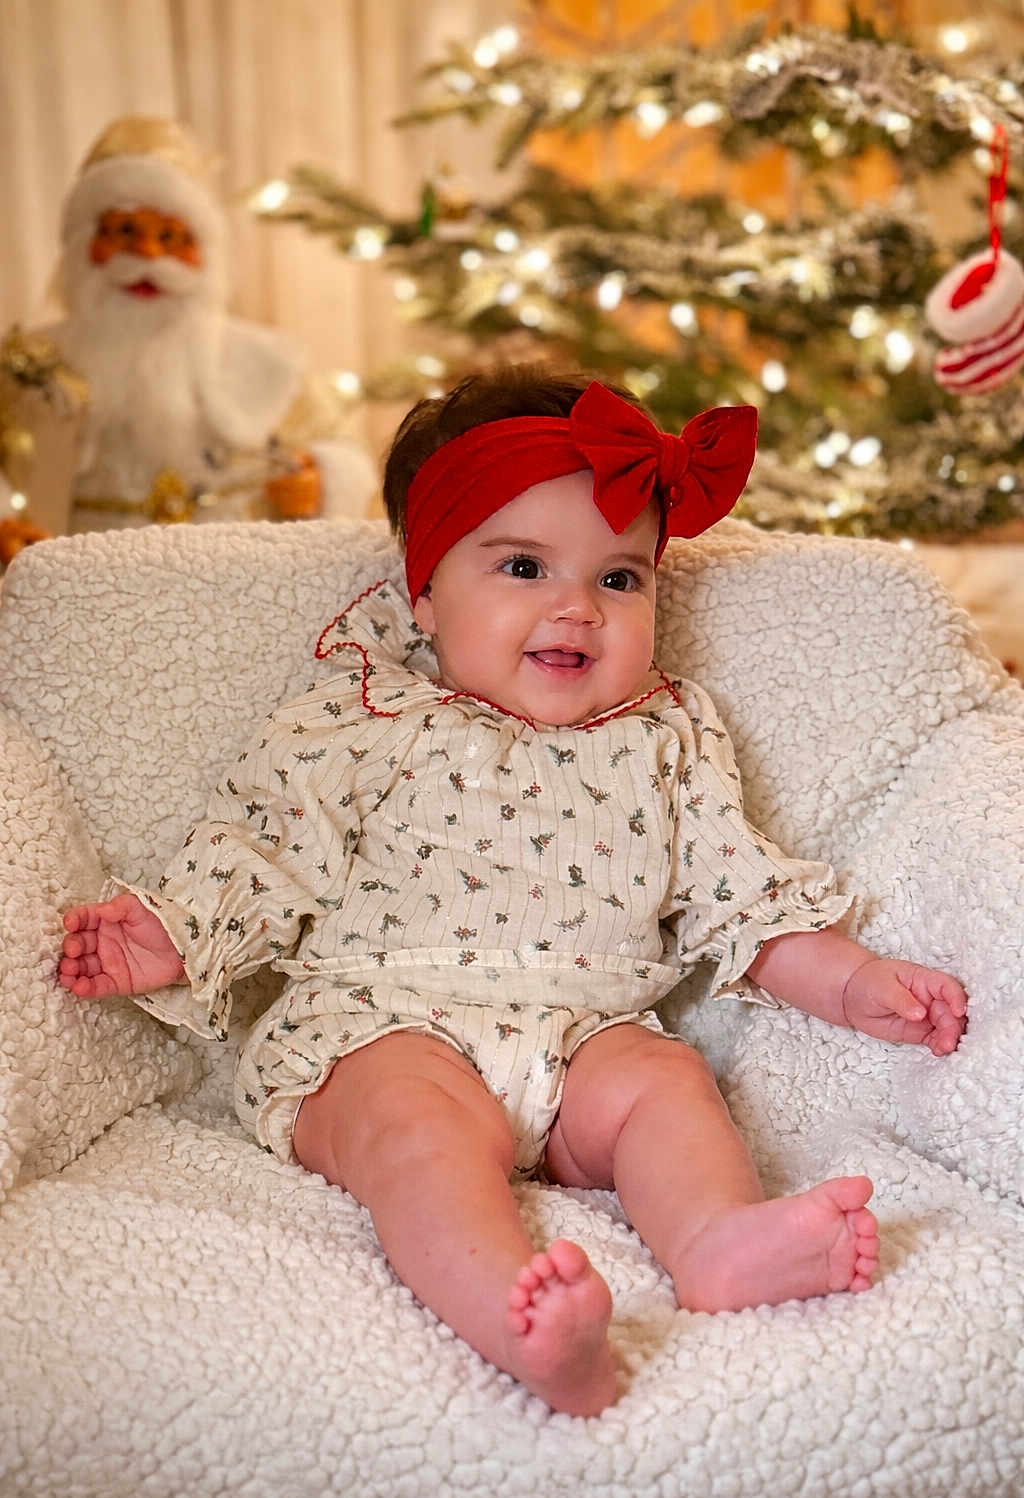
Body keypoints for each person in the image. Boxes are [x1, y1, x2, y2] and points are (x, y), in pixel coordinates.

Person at [59, 367, 968, 1417]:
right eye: (525, 566)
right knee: (414, 1134)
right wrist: (171, 936)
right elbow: (265, 849)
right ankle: (515, 1318)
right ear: (426, 592)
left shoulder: (663, 733)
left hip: (587, 1036)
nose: (575, 608)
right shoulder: (365, 711)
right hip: (382, 1025)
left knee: (669, 1089)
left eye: (619, 579)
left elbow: (740, 892)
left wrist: (854, 983)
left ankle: (717, 1243)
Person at [38, 115, 375, 531]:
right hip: (79, 583)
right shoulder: (30, 366)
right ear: (83, 243)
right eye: (125, 232)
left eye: (170, 237)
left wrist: (319, 479)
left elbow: (343, 446)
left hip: (235, 580)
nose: (147, 255)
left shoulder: (265, 360)